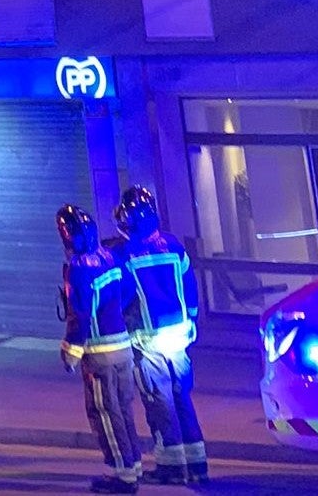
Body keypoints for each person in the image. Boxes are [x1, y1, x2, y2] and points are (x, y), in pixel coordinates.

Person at [114, 186, 207, 485]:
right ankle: (197, 465)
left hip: (148, 339)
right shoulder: (174, 245)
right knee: (183, 399)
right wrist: (191, 318)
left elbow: (123, 297)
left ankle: (171, 467)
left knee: (159, 402)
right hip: (180, 336)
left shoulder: (126, 253)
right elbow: (190, 286)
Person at [58, 204, 142, 494]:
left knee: (105, 412)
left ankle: (122, 475)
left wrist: (70, 352)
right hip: (123, 347)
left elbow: (79, 314)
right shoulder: (110, 256)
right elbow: (129, 292)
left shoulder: (78, 269)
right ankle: (134, 466)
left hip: (99, 353)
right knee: (123, 409)